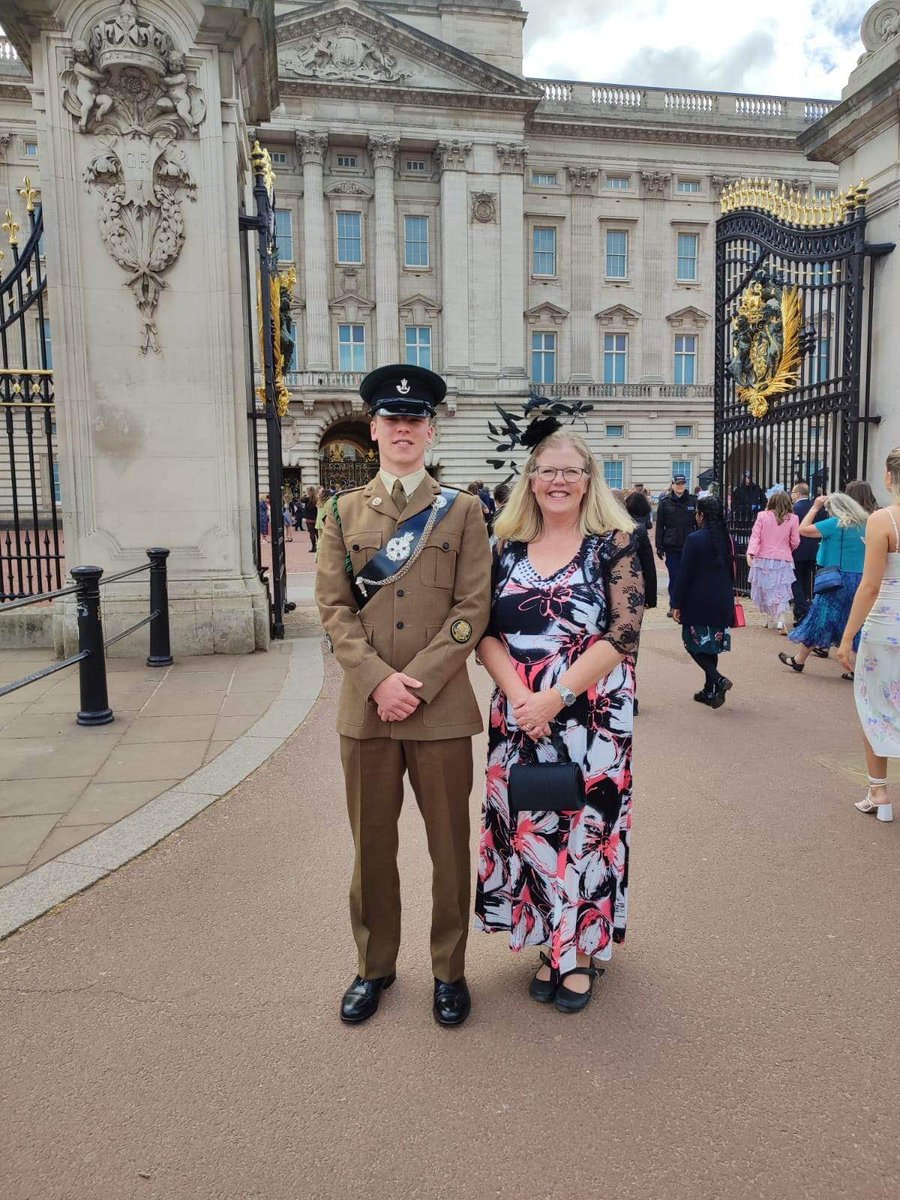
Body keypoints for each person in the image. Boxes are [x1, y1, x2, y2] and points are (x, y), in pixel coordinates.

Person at [315, 364, 492, 1028]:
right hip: (367, 711)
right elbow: (333, 610)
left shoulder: (465, 511)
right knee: (371, 848)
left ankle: (449, 970)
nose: (403, 430)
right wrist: (377, 682)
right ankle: (374, 965)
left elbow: (473, 608)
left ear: (430, 428)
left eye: (415, 420)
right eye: (392, 420)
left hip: (440, 710)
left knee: (449, 849)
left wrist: (413, 682)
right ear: (374, 428)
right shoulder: (339, 511)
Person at [474, 430, 644, 1014]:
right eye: (547, 470)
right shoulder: (506, 546)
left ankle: (579, 952)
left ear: (589, 480)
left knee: (583, 833)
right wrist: (523, 696)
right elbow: (485, 633)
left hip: (592, 715)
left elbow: (623, 634)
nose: (558, 481)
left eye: (571, 471)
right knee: (530, 829)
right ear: (531, 479)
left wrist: (558, 695)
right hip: (519, 712)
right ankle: (550, 942)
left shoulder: (613, 544)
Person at [838, 450, 900, 822]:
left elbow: (871, 585)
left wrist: (847, 637)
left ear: (889, 479)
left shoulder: (883, 519)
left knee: (875, 704)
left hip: (887, 624)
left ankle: (879, 790)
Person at [778, 485, 872, 678]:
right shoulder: (866, 523)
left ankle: (799, 660)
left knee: (820, 618)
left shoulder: (835, 524)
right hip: (860, 578)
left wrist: (815, 507)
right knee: (855, 621)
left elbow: (802, 529)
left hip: (835, 578)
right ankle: (858, 668)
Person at [671, 496, 736, 708]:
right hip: (721, 598)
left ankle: (717, 679)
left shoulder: (695, 539)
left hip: (697, 600)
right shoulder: (727, 539)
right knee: (711, 646)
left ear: (701, 515)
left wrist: (676, 603)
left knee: (692, 643)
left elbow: (684, 574)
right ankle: (710, 691)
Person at [746, 490, 799, 631]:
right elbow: (795, 541)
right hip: (783, 558)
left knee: (765, 589)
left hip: (763, 557)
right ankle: (781, 620)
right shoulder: (793, 518)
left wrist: (750, 552)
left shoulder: (762, 516)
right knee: (781, 590)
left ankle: (769, 619)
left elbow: (755, 536)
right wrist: (788, 549)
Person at [654, 473, 697, 616]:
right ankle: (674, 605)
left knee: (690, 576)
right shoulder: (665, 502)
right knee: (675, 576)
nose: (680, 486)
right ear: (672, 485)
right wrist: (659, 546)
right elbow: (660, 526)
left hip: (689, 544)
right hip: (671, 545)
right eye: (678, 484)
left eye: (682, 484)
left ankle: (688, 605)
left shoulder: (693, 501)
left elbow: (699, 523)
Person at [789, 482, 820, 626]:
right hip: (813, 549)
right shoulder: (817, 508)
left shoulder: (795, 508)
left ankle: (803, 608)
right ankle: (800, 612)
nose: (791, 496)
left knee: (794, 581)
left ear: (798, 493)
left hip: (797, 549)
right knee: (807, 580)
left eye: (793, 493)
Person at [301, 487, 318, 552]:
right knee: (317, 533)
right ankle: (318, 547)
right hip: (316, 518)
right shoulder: (317, 499)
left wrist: (306, 494)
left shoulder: (307, 499)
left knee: (311, 533)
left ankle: (313, 546)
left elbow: (301, 499)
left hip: (309, 519)